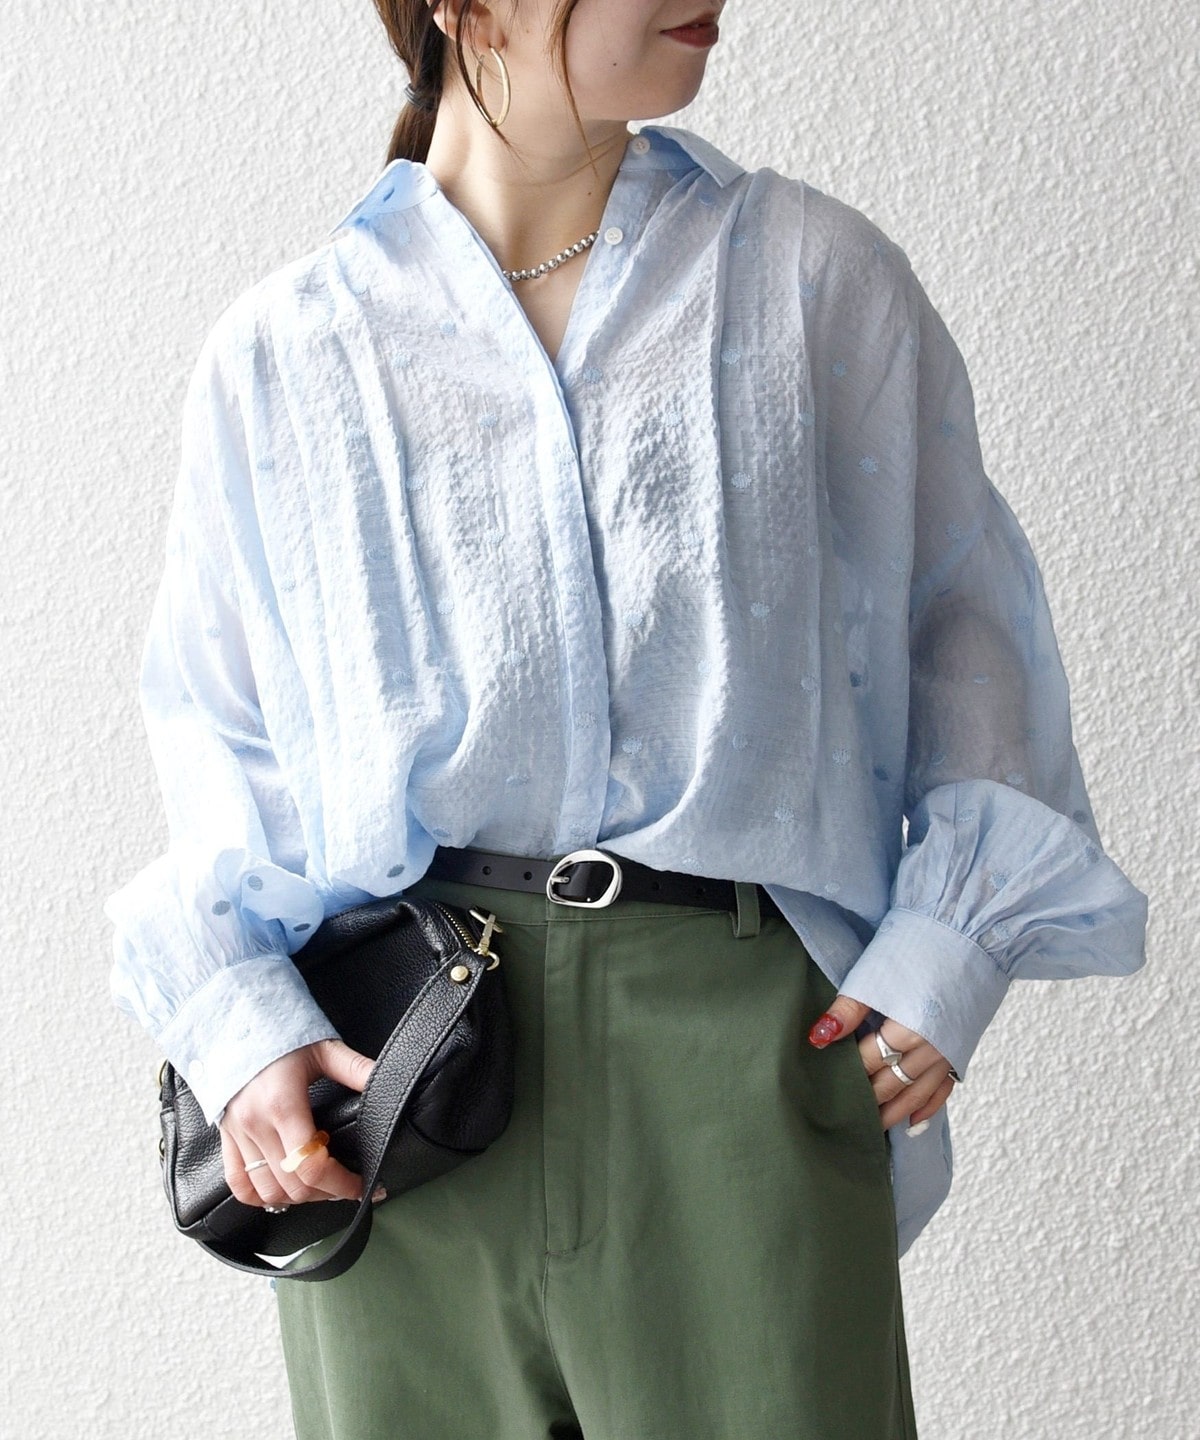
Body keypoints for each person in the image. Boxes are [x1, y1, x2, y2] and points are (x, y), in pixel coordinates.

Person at [104, 1, 1149, 1436]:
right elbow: (221, 729)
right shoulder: (287, 351)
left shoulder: (808, 281)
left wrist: (949, 943)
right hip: (407, 1087)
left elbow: (965, 623)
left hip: (738, 1059)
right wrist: (241, 1024)